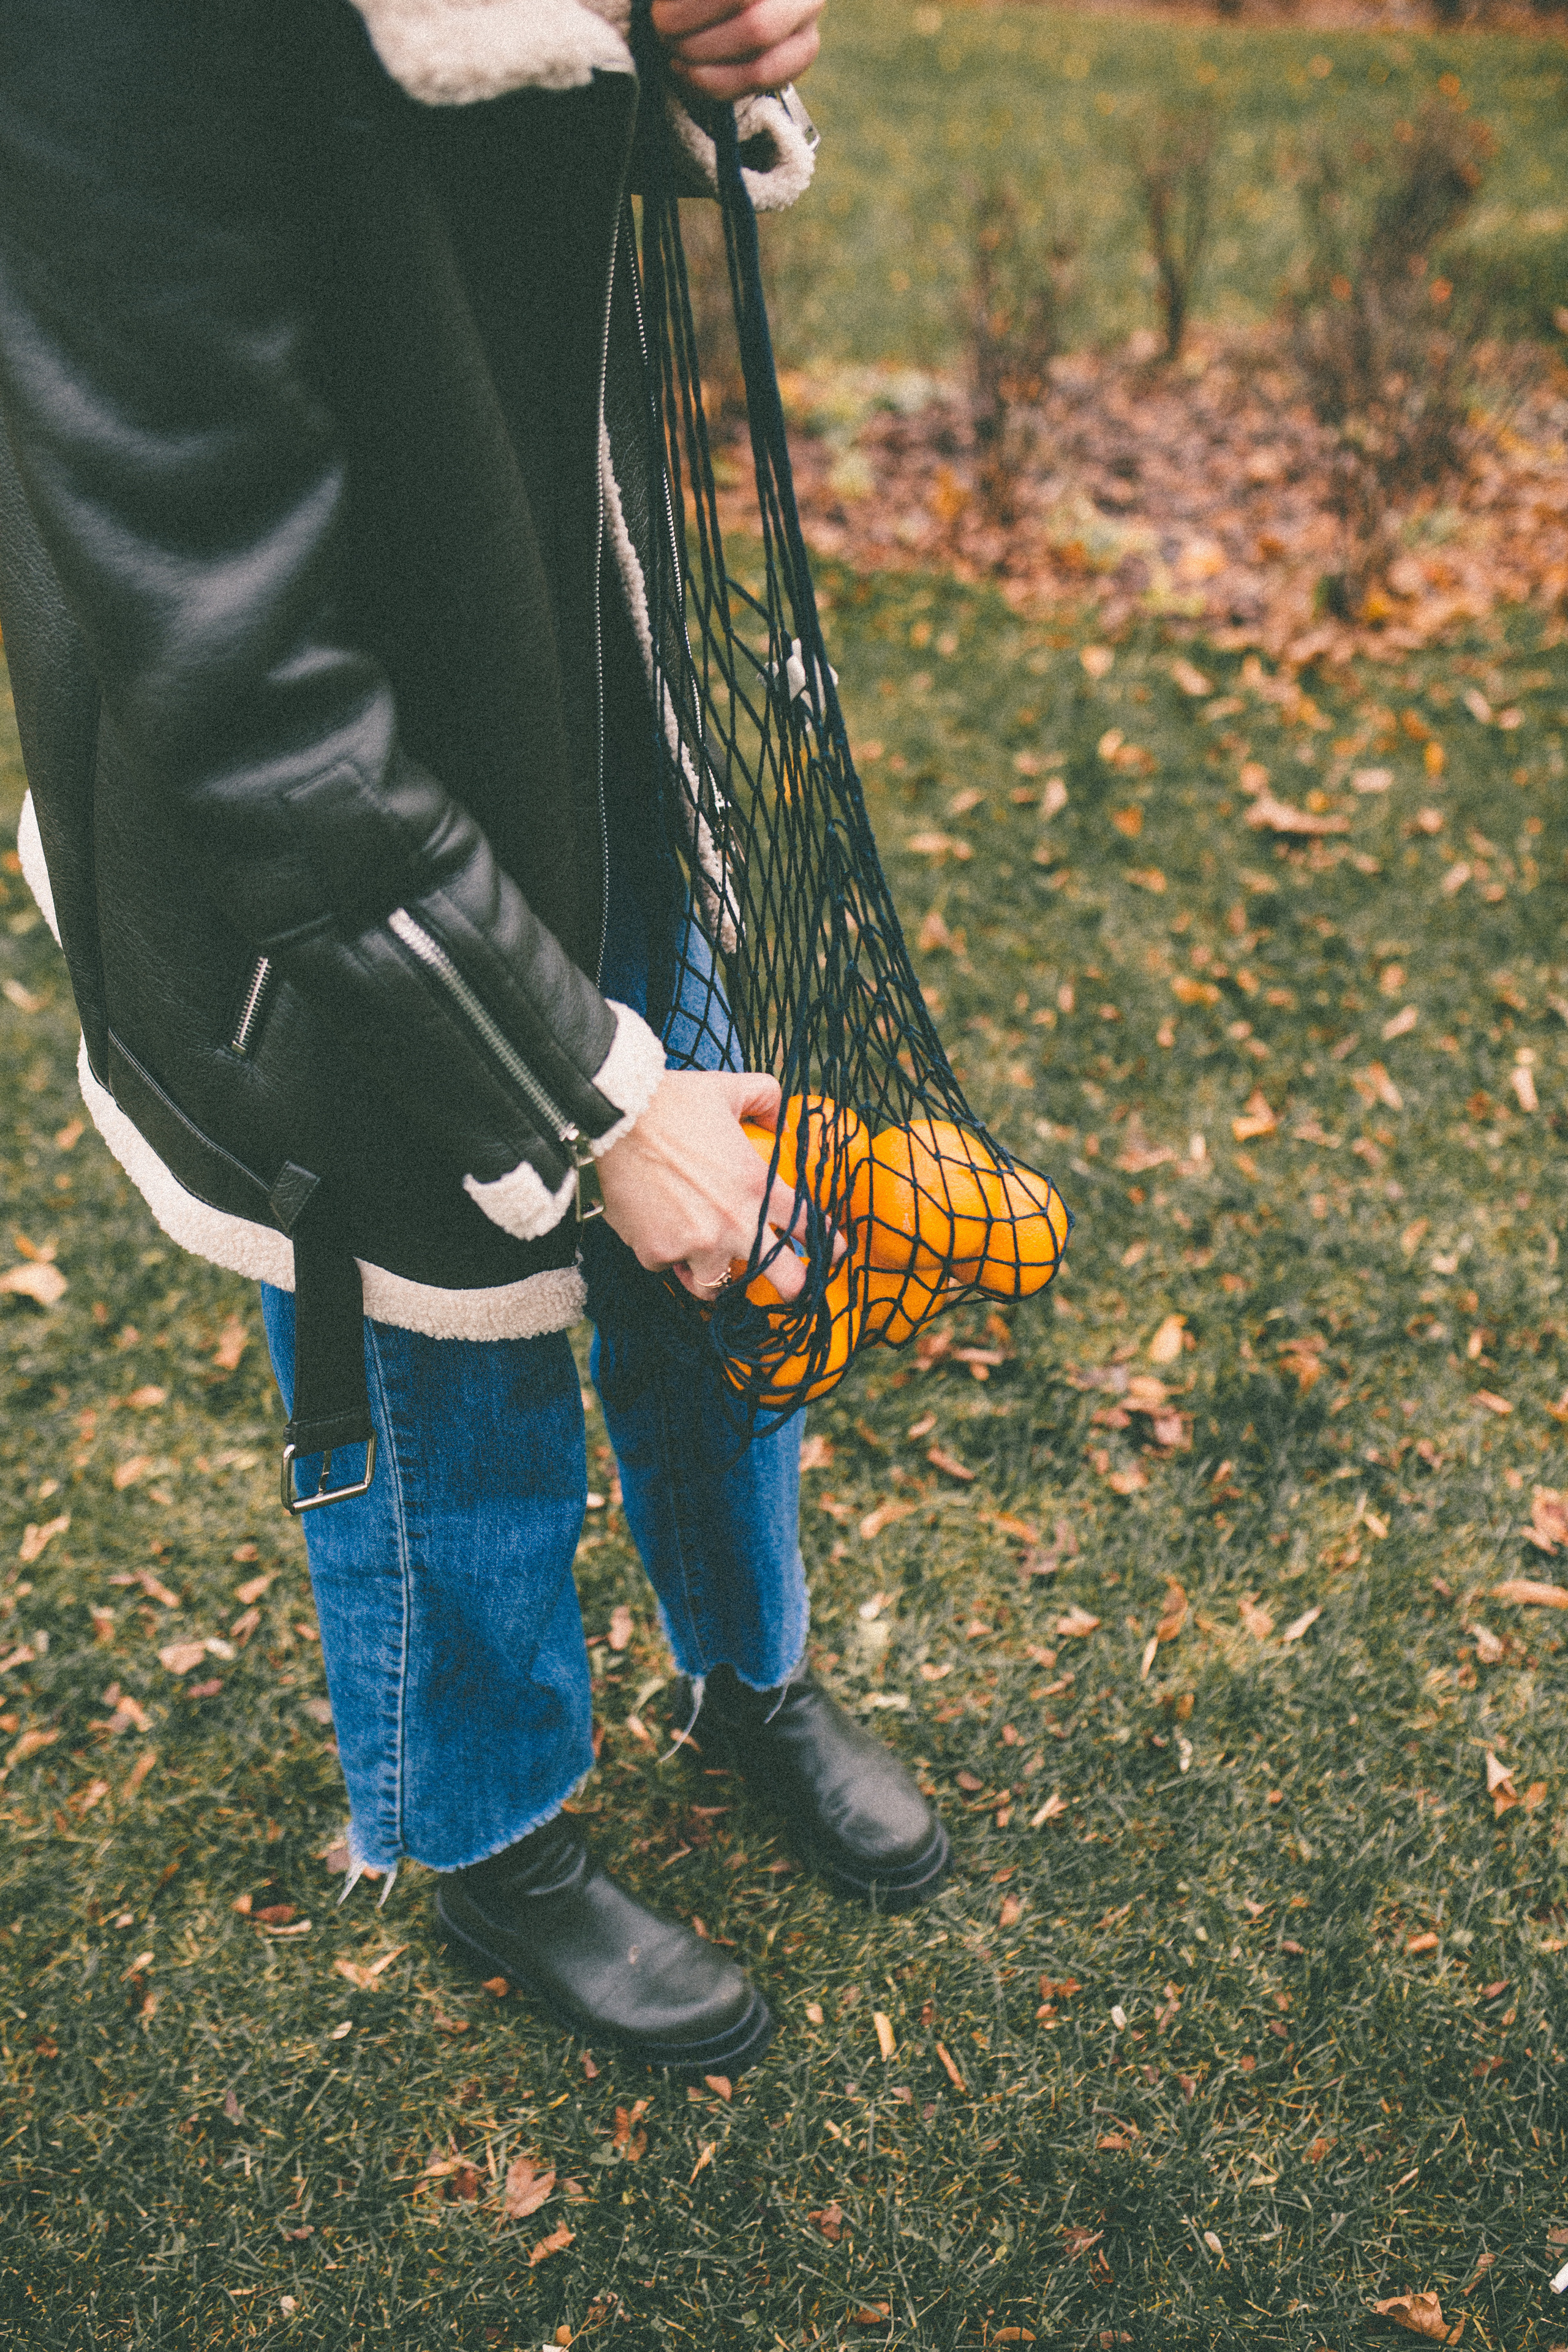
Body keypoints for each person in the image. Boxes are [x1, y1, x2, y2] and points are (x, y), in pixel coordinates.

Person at [0, 0, 948, 2078]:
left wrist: (697, 56)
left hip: (563, 691)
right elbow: (240, 675)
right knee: (456, 1339)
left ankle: (749, 1673)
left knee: (731, 1258)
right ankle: (494, 1827)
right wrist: (582, 1101)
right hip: (309, 829)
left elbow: (450, 208)